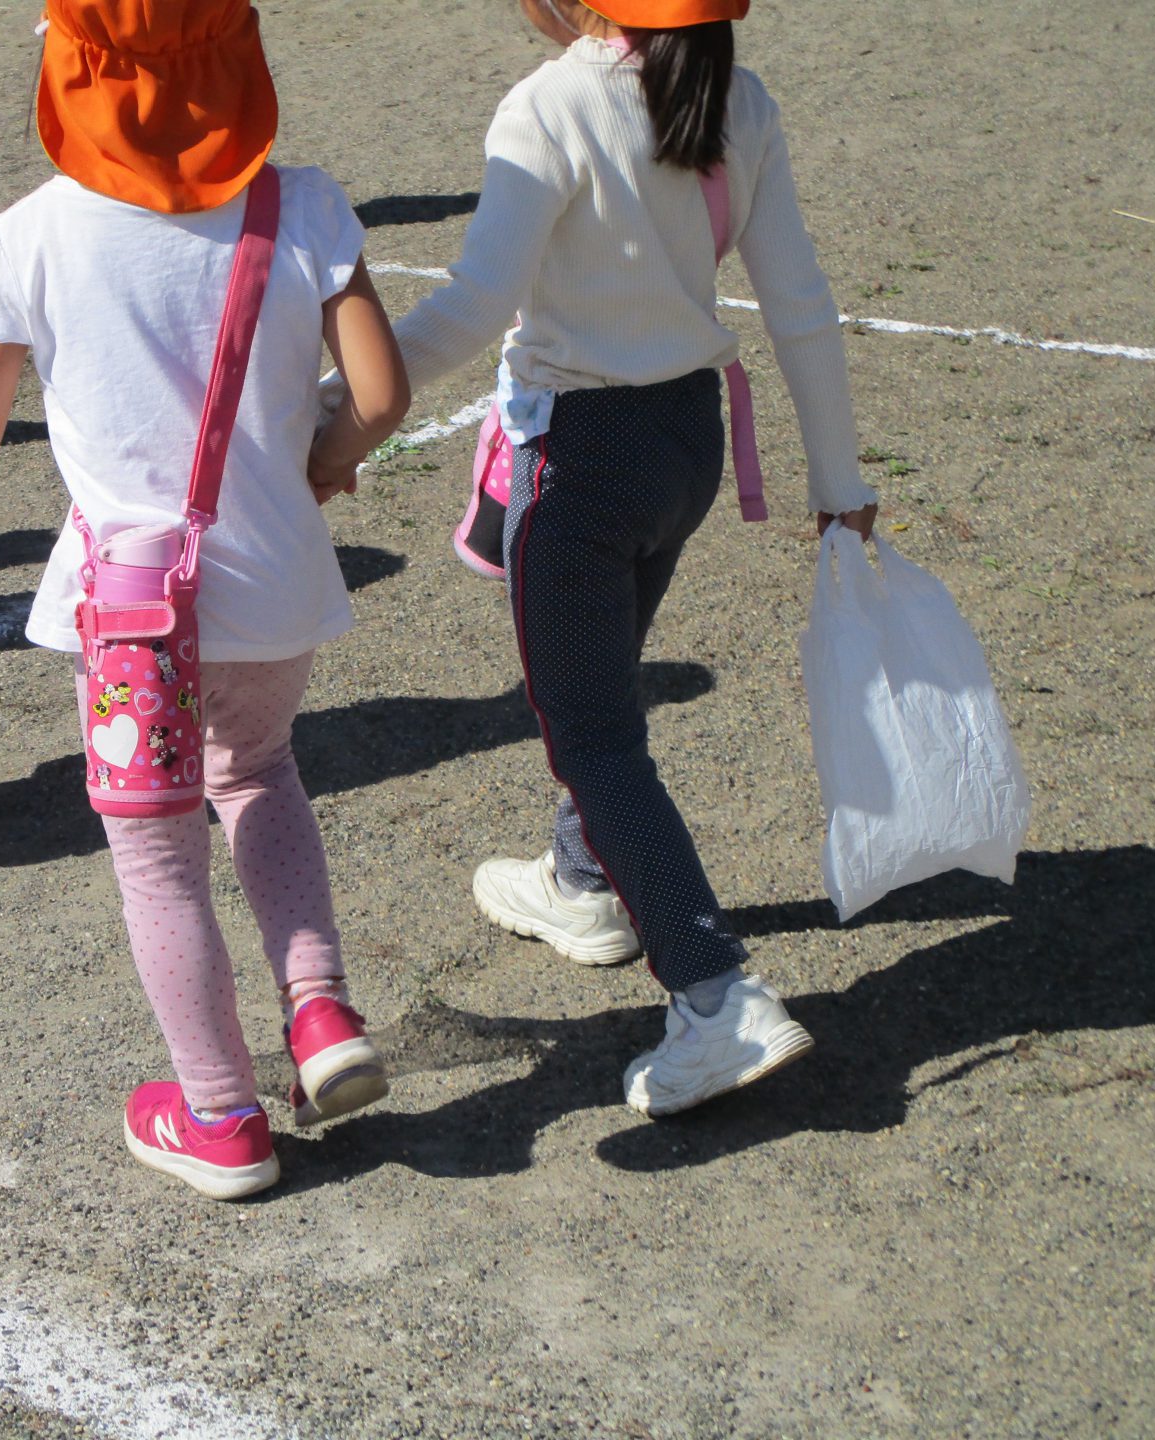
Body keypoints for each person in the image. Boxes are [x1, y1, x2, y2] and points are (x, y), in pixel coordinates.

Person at [0, 0, 411, 1199]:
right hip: (272, 583)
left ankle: (219, 1114)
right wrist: (323, 462)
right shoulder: (303, 207)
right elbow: (381, 392)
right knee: (259, 773)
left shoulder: (24, 239)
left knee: (158, 858)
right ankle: (320, 1009)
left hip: (129, 615)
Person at [383, 0, 880, 1116]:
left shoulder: (553, 103)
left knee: (594, 734)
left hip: (581, 459)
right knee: (604, 679)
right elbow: (800, 303)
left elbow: (474, 304)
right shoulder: (740, 100)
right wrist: (840, 486)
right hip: (685, 442)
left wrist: (337, 404)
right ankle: (581, 881)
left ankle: (716, 992)